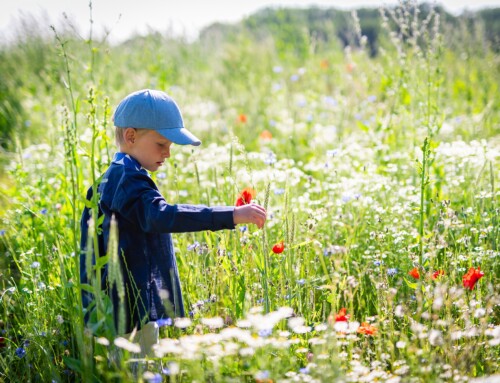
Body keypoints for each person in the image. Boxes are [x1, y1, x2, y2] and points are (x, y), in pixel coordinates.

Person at [80, 89, 267, 356]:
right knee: (138, 368)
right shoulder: (128, 180)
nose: (167, 153)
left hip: (116, 306)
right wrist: (232, 215)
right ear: (131, 136)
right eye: (161, 144)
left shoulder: (112, 178)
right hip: (128, 309)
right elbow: (162, 215)